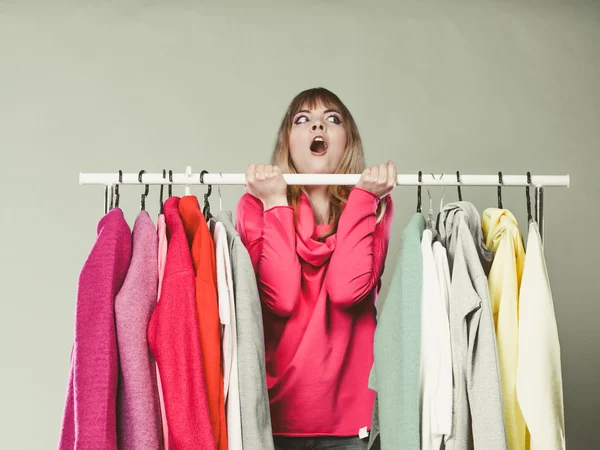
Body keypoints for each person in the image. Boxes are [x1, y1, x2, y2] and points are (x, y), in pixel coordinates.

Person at [236, 87, 396, 450]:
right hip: (274, 420)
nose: (317, 126)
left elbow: (346, 291)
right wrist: (276, 202)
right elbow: (282, 299)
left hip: (351, 423)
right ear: (287, 143)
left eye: (332, 119)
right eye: (303, 120)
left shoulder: (375, 207)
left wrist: (365, 198)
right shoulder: (254, 206)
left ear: (347, 141)